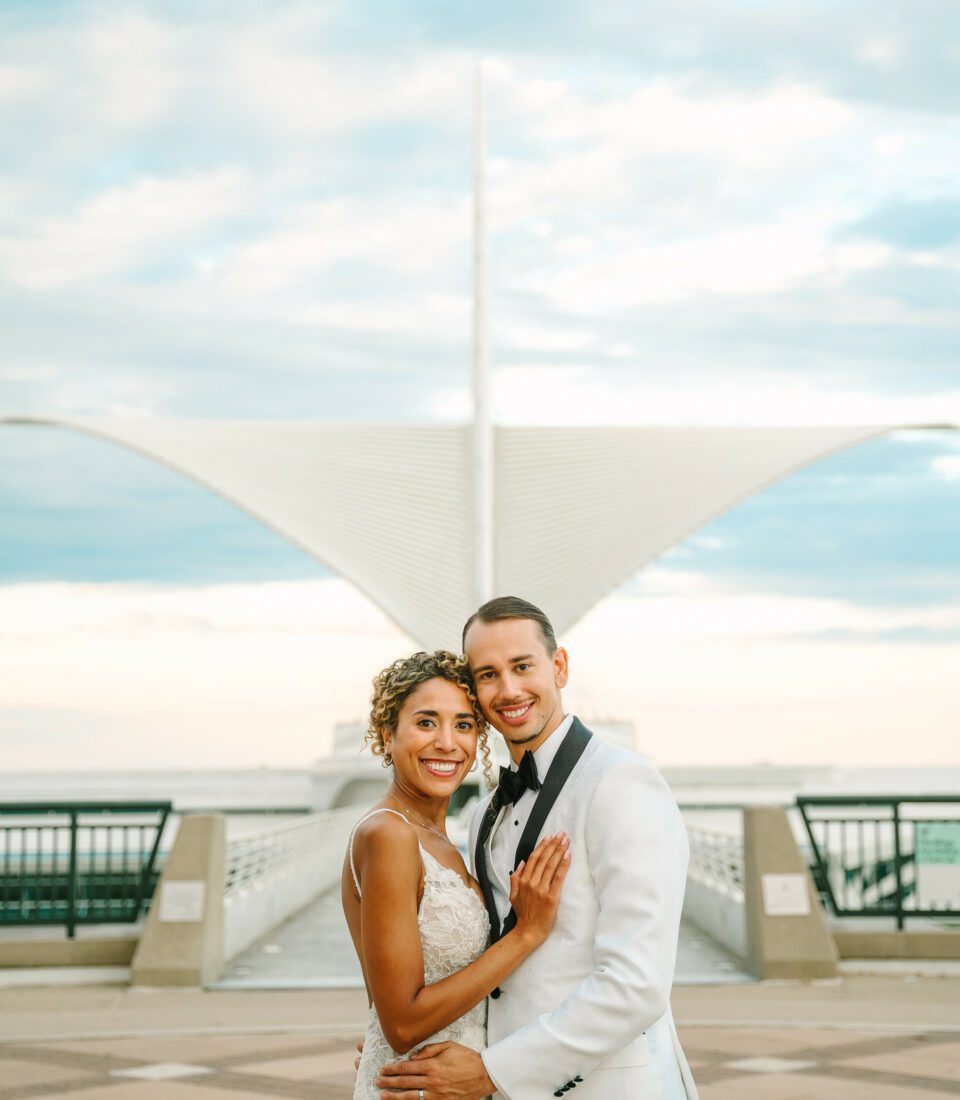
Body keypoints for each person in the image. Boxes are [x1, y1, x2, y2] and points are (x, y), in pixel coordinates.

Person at [376, 598, 698, 1100]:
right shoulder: (485, 812)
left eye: (522, 667)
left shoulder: (622, 784)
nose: (508, 690)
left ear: (559, 667)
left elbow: (637, 985)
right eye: (488, 674)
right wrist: (411, 1044)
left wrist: (495, 1071)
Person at [342, 649, 572, 1100]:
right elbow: (403, 1023)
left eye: (464, 725)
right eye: (426, 722)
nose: (447, 742)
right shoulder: (388, 834)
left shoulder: (445, 840)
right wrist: (526, 934)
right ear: (388, 734)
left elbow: (392, 1002)